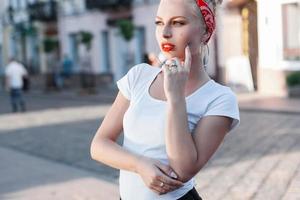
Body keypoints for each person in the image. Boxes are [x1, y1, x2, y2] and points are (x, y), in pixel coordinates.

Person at [90, 0, 240, 199]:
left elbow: (184, 170)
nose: (165, 32)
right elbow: (99, 145)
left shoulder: (219, 99)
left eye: (178, 23)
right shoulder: (139, 76)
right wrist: (139, 164)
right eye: (159, 23)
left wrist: (176, 97)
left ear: (205, 32)